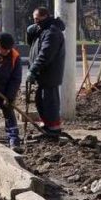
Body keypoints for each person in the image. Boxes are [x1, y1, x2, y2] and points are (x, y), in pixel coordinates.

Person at [25, 7, 66, 141]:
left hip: (49, 74)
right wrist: (29, 33)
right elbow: (33, 45)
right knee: (40, 100)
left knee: (49, 102)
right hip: (43, 74)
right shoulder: (42, 29)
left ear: (45, 16)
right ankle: (47, 126)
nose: (35, 21)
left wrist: (34, 69)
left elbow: (45, 54)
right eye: (34, 19)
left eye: (37, 19)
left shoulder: (52, 32)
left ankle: (53, 129)